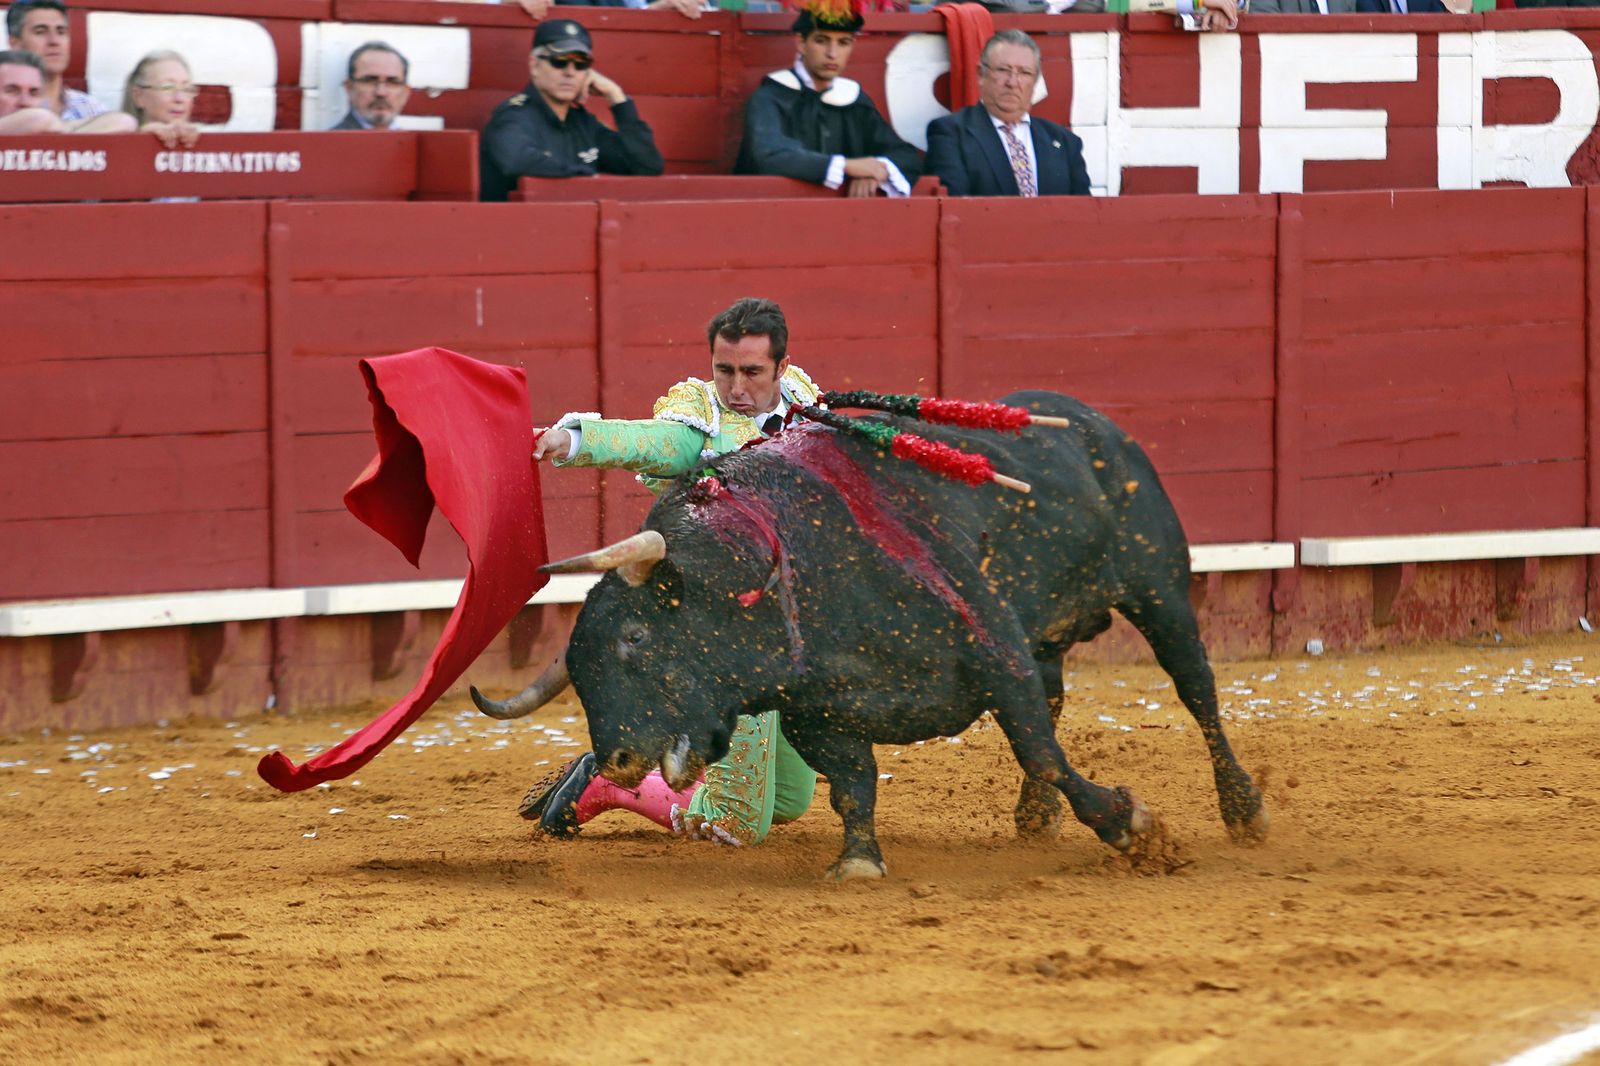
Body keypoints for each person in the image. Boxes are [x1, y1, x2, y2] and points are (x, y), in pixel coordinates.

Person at [521, 297, 821, 847]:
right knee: (735, 819)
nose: (735, 387)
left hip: (790, 639)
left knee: (787, 799)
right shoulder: (700, 429)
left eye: (751, 372)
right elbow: (645, 441)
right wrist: (572, 441)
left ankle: (653, 779)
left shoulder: (810, 415)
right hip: (722, 644)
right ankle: (607, 783)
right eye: (723, 370)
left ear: (781, 367)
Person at [733, 2, 921, 198]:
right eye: (822, 40)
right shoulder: (770, 96)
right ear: (801, 43)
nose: (832, 54)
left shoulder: (854, 99)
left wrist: (878, 172)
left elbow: (905, 156)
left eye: (843, 43)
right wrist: (849, 167)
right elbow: (769, 155)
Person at [479, 19, 664, 202]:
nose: (570, 72)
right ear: (534, 65)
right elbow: (517, 160)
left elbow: (647, 166)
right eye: (559, 61)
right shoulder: (515, 115)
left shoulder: (583, 123)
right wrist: (584, 174)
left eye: (580, 64)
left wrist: (616, 96)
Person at [923, 31, 1091, 198]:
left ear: (1035, 81)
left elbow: (1085, 213)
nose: (1012, 82)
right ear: (981, 74)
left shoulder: (1065, 142)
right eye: (1003, 70)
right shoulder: (951, 133)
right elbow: (955, 207)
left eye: (1024, 73)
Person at [5, 0, 114, 123]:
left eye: (61, 32)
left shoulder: (90, 108)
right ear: (15, 44)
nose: (54, 41)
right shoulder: (5, 108)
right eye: (40, 32)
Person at [0, 48, 128, 134]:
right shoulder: (45, 120)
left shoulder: (52, 124)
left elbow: (123, 121)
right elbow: (39, 119)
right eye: (12, 91)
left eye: (34, 93)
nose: (25, 102)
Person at [123, 50, 201, 148]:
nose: (180, 99)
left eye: (186, 89)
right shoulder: (116, 143)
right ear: (139, 96)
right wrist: (139, 139)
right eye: (167, 88)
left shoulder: (209, 150)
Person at [333, 41, 410, 130]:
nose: (381, 93)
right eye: (369, 81)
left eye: (392, 82)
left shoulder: (414, 142)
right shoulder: (327, 143)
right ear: (349, 88)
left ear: (405, 93)